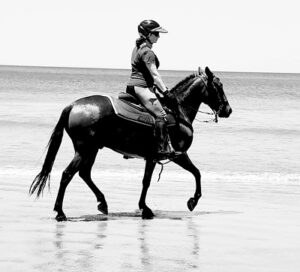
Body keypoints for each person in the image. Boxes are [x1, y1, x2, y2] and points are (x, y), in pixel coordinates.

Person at [126, 19, 178, 159]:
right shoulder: (147, 52)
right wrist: (166, 92)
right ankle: (163, 149)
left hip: (133, 86)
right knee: (162, 115)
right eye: (156, 33)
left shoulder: (137, 48)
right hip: (141, 87)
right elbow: (155, 75)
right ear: (148, 34)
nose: (158, 36)